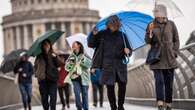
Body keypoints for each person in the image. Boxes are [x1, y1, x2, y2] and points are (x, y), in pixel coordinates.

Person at [88, 15, 132, 110]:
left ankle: (120, 105)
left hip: (120, 65)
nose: (114, 26)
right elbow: (91, 44)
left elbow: (129, 50)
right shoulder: (102, 34)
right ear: (108, 24)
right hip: (107, 65)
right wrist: (93, 35)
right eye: (112, 24)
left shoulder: (122, 35)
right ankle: (113, 106)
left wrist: (128, 51)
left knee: (122, 85)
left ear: (118, 25)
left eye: (116, 24)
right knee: (110, 87)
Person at [145, 4, 180, 110]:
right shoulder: (151, 24)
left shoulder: (171, 24)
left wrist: (174, 52)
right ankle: (160, 103)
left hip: (169, 58)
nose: (155, 13)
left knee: (169, 82)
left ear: (163, 12)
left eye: (157, 11)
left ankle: (168, 104)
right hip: (157, 58)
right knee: (159, 81)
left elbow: (176, 40)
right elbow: (147, 41)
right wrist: (150, 32)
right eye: (154, 12)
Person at [34, 40, 61, 110]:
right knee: (44, 98)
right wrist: (37, 74)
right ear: (42, 46)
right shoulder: (39, 56)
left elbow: (59, 64)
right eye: (45, 45)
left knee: (53, 97)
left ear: (50, 46)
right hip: (42, 80)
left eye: (48, 45)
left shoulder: (53, 54)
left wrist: (55, 57)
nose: (47, 46)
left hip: (52, 79)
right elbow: (35, 66)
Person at [65, 41, 91, 110]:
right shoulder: (71, 56)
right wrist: (70, 63)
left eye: (74, 44)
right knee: (77, 93)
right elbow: (67, 68)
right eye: (72, 44)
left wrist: (83, 60)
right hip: (74, 78)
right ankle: (79, 107)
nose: (72, 45)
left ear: (79, 45)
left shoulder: (84, 54)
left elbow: (90, 64)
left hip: (84, 78)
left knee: (84, 94)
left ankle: (86, 108)